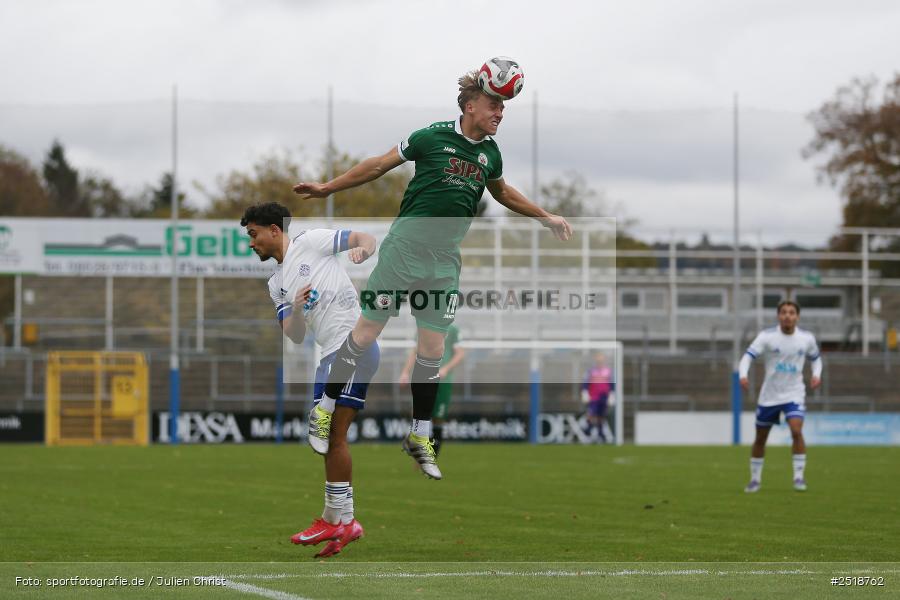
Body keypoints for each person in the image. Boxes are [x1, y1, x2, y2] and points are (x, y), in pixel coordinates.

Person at [292, 67, 572, 480]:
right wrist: (328, 188)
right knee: (365, 335)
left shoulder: (490, 154)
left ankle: (420, 434)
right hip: (405, 250)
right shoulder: (431, 136)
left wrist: (545, 216)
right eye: (494, 104)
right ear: (471, 105)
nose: (500, 112)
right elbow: (378, 165)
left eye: (504, 107)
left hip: (443, 261)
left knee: (432, 350)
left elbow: (503, 193)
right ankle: (325, 408)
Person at [242, 202, 377, 558]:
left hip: (352, 346)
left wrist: (363, 249)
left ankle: (335, 519)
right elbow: (295, 334)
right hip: (328, 356)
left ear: (274, 230)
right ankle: (345, 521)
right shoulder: (276, 283)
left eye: (254, 234)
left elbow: (365, 237)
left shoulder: (312, 241)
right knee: (331, 438)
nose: (251, 243)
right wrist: (299, 308)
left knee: (331, 435)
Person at [739, 300, 823, 493]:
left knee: (796, 430)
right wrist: (743, 375)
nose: (787, 316)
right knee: (760, 438)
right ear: (778, 316)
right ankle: (755, 480)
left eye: (791, 313)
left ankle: (799, 477)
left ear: (797, 317)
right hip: (770, 395)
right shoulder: (767, 337)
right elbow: (748, 356)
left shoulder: (806, 338)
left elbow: (816, 359)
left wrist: (817, 375)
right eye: (784, 312)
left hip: (794, 393)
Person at [399, 322, 465, 456]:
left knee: (438, 419)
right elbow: (415, 351)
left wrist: (445, 369)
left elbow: (460, 353)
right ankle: (420, 453)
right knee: (417, 414)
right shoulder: (422, 326)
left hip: (442, 381)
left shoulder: (452, 329)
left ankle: (430, 457)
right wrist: (405, 372)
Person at [581, 352, 614, 443]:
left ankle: (600, 433)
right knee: (592, 414)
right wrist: (585, 392)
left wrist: (612, 394)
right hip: (594, 397)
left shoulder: (608, 371)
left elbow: (611, 384)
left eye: (601, 360)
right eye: (598, 360)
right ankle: (589, 430)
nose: (600, 362)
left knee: (601, 416)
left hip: (604, 396)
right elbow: (585, 382)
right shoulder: (591, 371)